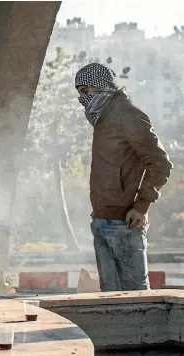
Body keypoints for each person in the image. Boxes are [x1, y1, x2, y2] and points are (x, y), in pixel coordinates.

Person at [75, 63, 173, 292]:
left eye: (85, 92)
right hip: (102, 220)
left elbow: (160, 163)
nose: (82, 99)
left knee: (135, 299)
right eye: (79, 93)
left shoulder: (127, 115)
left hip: (124, 223)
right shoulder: (104, 116)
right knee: (112, 299)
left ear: (100, 87)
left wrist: (141, 205)